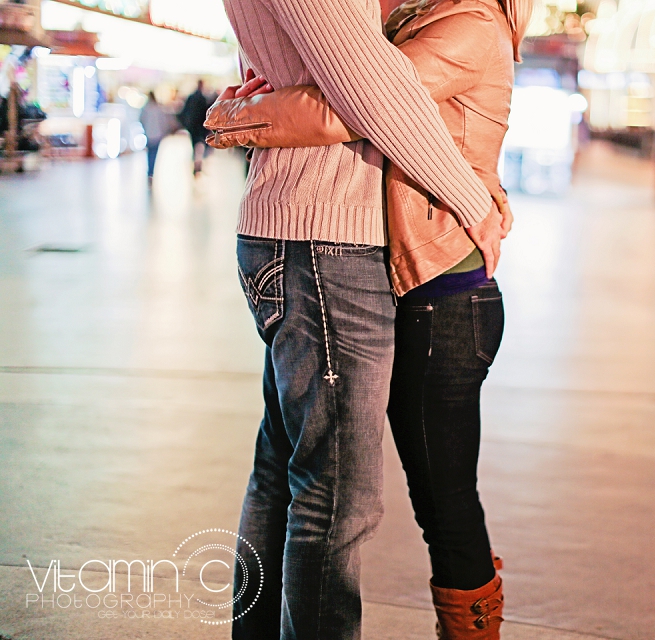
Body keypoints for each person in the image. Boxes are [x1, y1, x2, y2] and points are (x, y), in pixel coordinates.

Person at [205, 0, 529, 636]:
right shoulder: (414, 18)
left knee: (436, 502)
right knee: (328, 491)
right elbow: (366, 99)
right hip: (346, 252)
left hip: (443, 292)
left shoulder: (469, 23)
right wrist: (229, 118)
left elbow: (364, 102)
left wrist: (232, 118)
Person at [177, 80, 211, 175]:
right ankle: (198, 162)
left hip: (193, 126)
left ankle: (196, 161)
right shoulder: (203, 98)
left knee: (195, 144)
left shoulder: (192, 97)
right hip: (200, 126)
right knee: (200, 144)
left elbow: (185, 112)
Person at [139, 92, 168, 182]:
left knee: (149, 154)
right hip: (157, 134)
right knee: (154, 154)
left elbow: (141, 119)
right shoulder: (158, 108)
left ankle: (150, 171)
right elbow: (163, 121)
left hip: (148, 133)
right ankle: (151, 171)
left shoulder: (145, 108)